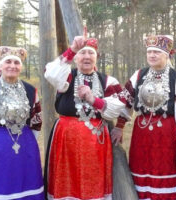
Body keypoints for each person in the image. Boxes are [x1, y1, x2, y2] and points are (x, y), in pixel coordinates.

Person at [112, 35, 176, 200]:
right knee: (142, 172)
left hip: (168, 137)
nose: (152, 55)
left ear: (167, 55)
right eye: (149, 52)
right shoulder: (139, 75)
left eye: (156, 52)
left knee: (167, 173)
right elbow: (126, 101)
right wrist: (119, 126)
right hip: (142, 136)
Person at [44, 31, 125, 200]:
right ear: (75, 57)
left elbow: (119, 107)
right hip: (66, 138)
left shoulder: (108, 81)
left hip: (95, 139)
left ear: (97, 57)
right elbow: (50, 73)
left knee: (92, 176)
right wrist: (72, 48)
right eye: (82, 53)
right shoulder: (66, 76)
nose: (86, 57)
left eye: (91, 53)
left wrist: (92, 99)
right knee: (67, 176)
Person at [0, 46, 44, 200]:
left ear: (21, 67)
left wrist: (27, 140)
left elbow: (36, 121)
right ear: (1, 65)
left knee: (25, 183)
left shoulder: (31, 91)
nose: (12, 66)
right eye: (8, 62)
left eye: (16, 63)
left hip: (25, 148)